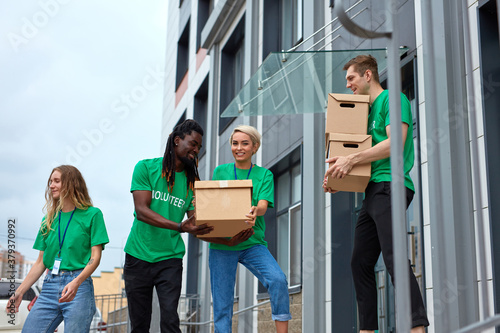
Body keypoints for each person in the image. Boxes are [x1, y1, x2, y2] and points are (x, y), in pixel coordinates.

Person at [323, 55, 429, 333]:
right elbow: (358, 160)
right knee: (360, 262)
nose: (348, 86)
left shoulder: (393, 100)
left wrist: (352, 159)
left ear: (368, 75)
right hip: (372, 191)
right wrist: (338, 179)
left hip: (391, 185)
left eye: (351, 79)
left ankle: (417, 328)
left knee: (394, 256)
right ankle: (367, 330)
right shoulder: (365, 114)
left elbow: (397, 144)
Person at [123, 119, 213, 333]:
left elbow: (195, 221)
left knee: (171, 321)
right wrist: (180, 227)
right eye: (193, 143)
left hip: (170, 259)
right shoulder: (145, 167)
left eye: (199, 147)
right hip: (138, 255)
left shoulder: (192, 183)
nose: (196, 150)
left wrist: (230, 225)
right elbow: (142, 211)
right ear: (176, 140)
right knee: (140, 324)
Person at [201, 125, 291, 333]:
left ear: (255, 147)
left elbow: (262, 205)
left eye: (244, 143)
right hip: (222, 243)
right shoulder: (220, 172)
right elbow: (215, 204)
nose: (238, 148)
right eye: (235, 143)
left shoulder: (264, 175)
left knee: (278, 279)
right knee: (222, 304)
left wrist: (254, 210)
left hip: (252, 242)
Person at [6, 165, 109, 333]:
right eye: (50, 182)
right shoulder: (48, 219)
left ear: (71, 184)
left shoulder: (92, 214)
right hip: (49, 286)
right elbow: (40, 262)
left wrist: (77, 282)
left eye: (56, 181)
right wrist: (19, 292)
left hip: (78, 286)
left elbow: (95, 257)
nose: (51, 186)